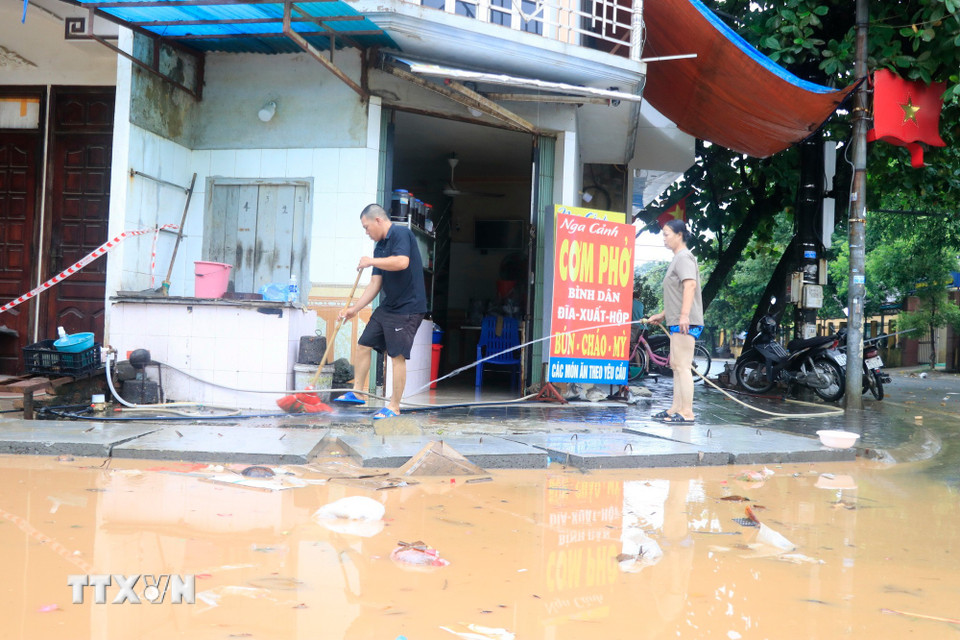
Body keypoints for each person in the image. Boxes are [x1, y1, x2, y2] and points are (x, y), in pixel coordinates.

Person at [337, 204, 427, 419]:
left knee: (396, 356)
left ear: (378, 220)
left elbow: (402, 262)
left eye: (366, 227)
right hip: (389, 306)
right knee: (363, 344)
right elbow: (375, 284)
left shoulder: (401, 234)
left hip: (408, 308)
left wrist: (370, 261)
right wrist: (354, 309)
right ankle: (357, 392)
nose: (366, 233)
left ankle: (394, 407)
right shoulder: (379, 247)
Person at [647, 219, 703, 424]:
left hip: (686, 321)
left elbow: (690, 286)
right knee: (676, 365)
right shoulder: (677, 258)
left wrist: (684, 316)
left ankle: (687, 412)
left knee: (683, 366)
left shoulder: (684, 257)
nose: (664, 239)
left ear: (679, 235)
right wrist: (663, 314)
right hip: (678, 319)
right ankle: (675, 409)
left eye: (666, 234)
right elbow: (677, 294)